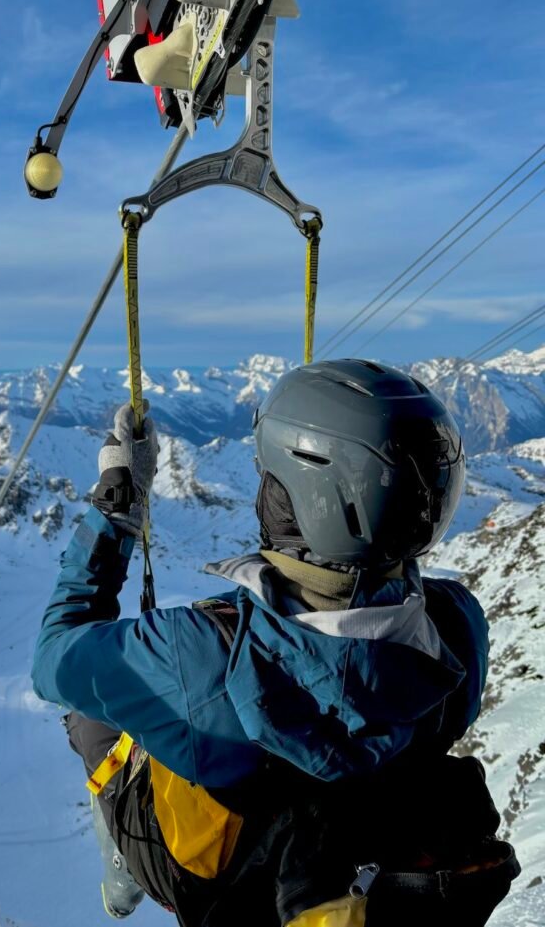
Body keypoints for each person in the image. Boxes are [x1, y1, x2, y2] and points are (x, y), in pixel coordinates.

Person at [31, 359, 519, 926]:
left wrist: (118, 507)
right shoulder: (456, 624)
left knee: (90, 712)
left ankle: (125, 861)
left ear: (293, 497)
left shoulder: (201, 653)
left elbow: (55, 653)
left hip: (209, 880)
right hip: (343, 847)